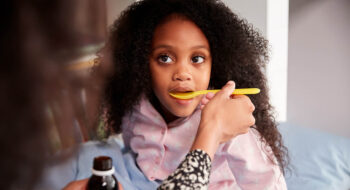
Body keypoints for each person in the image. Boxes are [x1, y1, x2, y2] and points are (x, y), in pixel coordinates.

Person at [61, 0, 288, 189]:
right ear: (141, 64)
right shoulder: (134, 105)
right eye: (165, 58)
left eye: (197, 59)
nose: (182, 73)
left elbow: (267, 182)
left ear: (216, 66)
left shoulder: (228, 123)